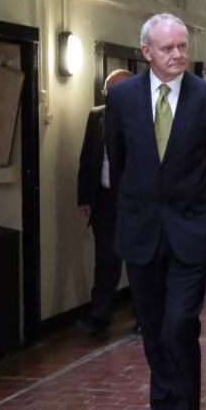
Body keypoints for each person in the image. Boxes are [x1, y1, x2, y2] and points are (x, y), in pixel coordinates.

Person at [104, 13, 206, 410]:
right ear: (146, 53)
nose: (178, 54)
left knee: (180, 325)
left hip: (190, 231)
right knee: (153, 328)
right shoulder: (121, 98)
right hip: (140, 231)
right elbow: (118, 163)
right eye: (167, 48)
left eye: (182, 46)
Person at [76, 69, 133, 339]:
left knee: (138, 261)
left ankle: (144, 317)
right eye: (108, 91)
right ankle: (100, 316)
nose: (111, 96)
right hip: (105, 198)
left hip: (135, 201)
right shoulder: (97, 115)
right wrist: (85, 197)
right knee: (105, 260)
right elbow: (87, 158)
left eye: (116, 90)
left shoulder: (144, 115)